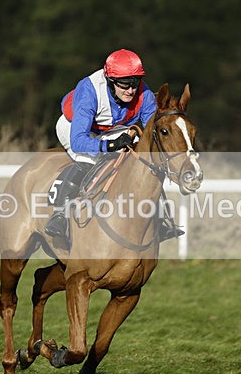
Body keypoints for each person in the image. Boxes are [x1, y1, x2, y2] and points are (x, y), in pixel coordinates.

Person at [45, 48, 182, 241]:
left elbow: (153, 127)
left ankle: (160, 219)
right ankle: (59, 215)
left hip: (111, 128)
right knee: (87, 159)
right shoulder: (89, 90)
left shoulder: (143, 93)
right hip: (76, 127)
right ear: (110, 81)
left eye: (135, 83)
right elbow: (78, 141)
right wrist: (109, 146)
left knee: (144, 162)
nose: (131, 90)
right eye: (125, 85)